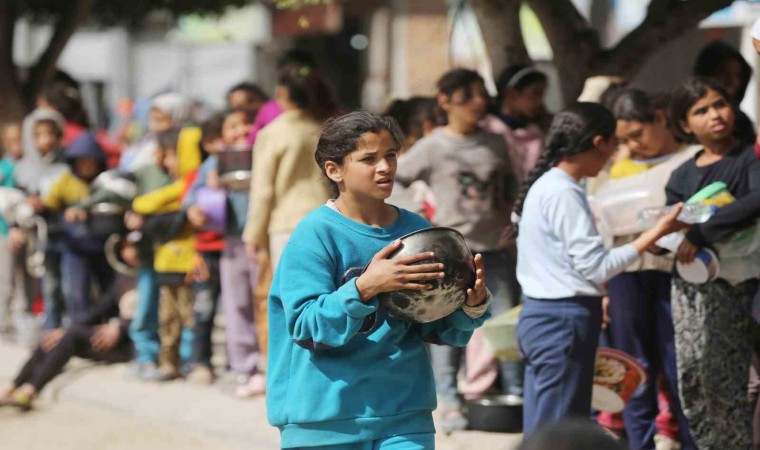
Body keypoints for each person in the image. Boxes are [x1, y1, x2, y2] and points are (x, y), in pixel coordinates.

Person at [266, 110, 491, 449]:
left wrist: (469, 305)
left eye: (390, 155)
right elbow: (305, 326)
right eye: (368, 159)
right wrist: (366, 286)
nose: (385, 167)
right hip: (325, 419)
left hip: (404, 412)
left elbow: (435, 325)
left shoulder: (416, 230)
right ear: (334, 169)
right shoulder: (315, 235)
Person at [513, 102, 685, 433]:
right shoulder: (563, 191)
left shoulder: (549, 185)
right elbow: (597, 268)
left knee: (544, 429)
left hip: (544, 318)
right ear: (598, 143)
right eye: (614, 144)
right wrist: (654, 234)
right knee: (559, 433)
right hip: (562, 320)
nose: (615, 154)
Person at [394, 68, 519, 432]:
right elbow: (398, 179)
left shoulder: (496, 142)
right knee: (445, 323)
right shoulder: (433, 146)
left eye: (483, 95)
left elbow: (509, 187)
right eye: (469, 97)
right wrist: (418, 219)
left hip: (494, 251)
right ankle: (448, 400)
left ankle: (515, 393)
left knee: (503, 323)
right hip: (450, 255)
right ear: (446, 102)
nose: (478, 103)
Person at [664, 77, 760, 449]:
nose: (715, 115)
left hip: (734, 286)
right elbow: (668, 224)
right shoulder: (681, 175)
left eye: (719, 104)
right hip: (689, 287)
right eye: (700, 110)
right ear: (686, 125)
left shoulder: (749, 158)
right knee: (692, 376)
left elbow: (754, 201)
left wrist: (700, 233)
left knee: (726, 378)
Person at [601, 89, 697, 450]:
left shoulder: (690, 160)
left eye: (637, 134)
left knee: (679, 367)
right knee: (634, 369)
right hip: (626, 277)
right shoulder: (616, 169)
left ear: (659, 118)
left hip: (676, 275)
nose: (633, 145)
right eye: (624, 140)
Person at [243, 63, 337, 268]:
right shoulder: (325, 130)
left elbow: (263, 190)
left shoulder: (272, 132)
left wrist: (253, 234)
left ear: (282, 92)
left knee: (291, 293)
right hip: (328, 219)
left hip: (287, 224)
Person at [0, 274, 135, 410]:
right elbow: (100, 309)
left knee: (70, 337)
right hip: (111, 336)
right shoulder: (125, 278)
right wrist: (64, 330)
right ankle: (13, 386)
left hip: (132, 345)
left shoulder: (151, 280)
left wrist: (121, 328)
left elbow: (151, 322)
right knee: (54, 338)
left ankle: (31, 388)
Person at [131, 127, 201, 381]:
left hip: (187, 263)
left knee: (188, 316)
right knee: (168, 318)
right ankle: (170, 362)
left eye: (173, 155)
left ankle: (186, 362)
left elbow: (143, 203)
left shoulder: (188, 185)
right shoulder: (183, 186)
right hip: (167, 262)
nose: (167, 161)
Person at [42, 131, 114, 326]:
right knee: (76, 290)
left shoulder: (106, 182)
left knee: (108, 290)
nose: (86, 167)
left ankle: (107, 329)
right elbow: (48, 205)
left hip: (103, 245)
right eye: (82, 162)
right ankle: (78, 331)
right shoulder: (66, 182)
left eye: (91, 162)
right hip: (74, 245)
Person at [14, 109, 68, 331]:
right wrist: (16, 224)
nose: (46, 140)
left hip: (62, 232)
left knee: (61, 282)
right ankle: (42, 326)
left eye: (50, 134)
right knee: (39, 283)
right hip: (34, 235)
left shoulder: (65, 167)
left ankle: (58, 327)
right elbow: (14, 202)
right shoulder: (23, 169)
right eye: (39, 135)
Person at [182, 113, 226, 384]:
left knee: (236, 306)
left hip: (234, 245)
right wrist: (193, 209)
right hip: (208, 248)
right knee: (205, 306)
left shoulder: (245, 162)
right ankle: (200, 360)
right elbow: (189, 199)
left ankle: (237, 362)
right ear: (209, 143)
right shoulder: (208, 167)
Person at [486, 65, 549, 185]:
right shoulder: (490, 130)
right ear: (511, 94)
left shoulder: (535, 131)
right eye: (535, 94)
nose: (540, 102)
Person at [693, 40, 755, 145]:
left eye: (738, 75)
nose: (731, 81)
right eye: (723, 73)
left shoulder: (740, 122)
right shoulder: (684, 113)